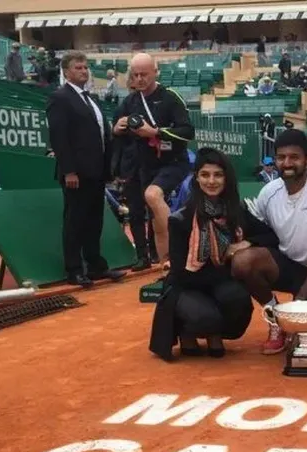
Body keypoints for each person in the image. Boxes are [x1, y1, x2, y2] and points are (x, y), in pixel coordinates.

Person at [149, 148, 275, 361]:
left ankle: (215, 331)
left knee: (239, 300)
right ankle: (188, 331)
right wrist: (226, 274)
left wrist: (245, 242)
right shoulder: (181, 219)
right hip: (186, 285)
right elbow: (181, 274)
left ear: (226, 178)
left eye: (218, 175)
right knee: (206, 316)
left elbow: (270, 236)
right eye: (205, 175)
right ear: (196, 178)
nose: (211, 181)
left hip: (216, 280)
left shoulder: (234, 211)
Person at [231, 129, 307, 355]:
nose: (287, 163)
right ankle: (275, 320)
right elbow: (264, 235)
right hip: (285, 266)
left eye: (294, 157)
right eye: (281, 157)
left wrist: (300, 300)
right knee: (242, 261)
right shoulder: (268, 193)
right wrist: (248, 243)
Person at [46, 51, 124, 288]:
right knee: (75, 222)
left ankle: (96, 266)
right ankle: (74, 269)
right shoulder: (60, 98)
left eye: (85, 67)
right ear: (66, 72)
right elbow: (59, 138)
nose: (84, 71)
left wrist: (109, 169)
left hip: (96, 172)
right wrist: (69, 171)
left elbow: (102, 136)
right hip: (76, 174)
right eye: (78, 67)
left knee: (94, 221)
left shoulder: (92, 99)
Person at [112, 52, 195, 270]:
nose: (139, 79)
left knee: (153, 197)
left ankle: (168, 254)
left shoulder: (170, 97)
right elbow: (117, 133)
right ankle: (144, 256)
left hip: (171, 161)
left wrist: (156, 132)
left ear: (155, 72)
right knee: (137, 210)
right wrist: (117, 128)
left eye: (144, 74)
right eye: (135, 75)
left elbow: (187, 131)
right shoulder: (129, 102)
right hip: (139, 165)